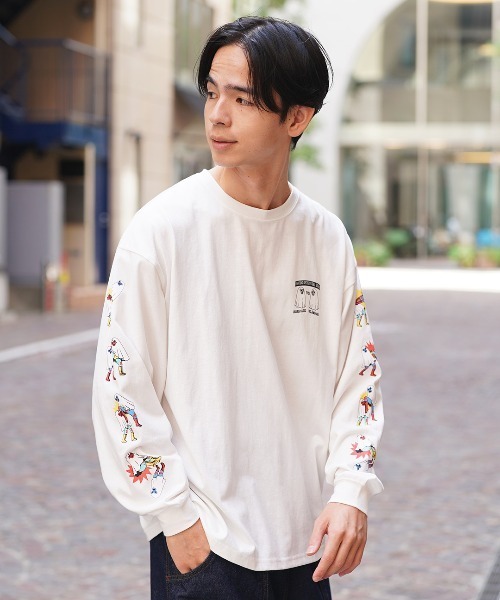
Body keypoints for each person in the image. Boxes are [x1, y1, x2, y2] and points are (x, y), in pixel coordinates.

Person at [92, 16, 384, 600]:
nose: (217, 115)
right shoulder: (162, 230)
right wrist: (174, 516)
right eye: (211, 93)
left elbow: (358, 379)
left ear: (296, 118)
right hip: (206, 547)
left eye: (242, 99)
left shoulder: (326, 237)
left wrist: (352, 491)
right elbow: (121, 386)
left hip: (307, 542)